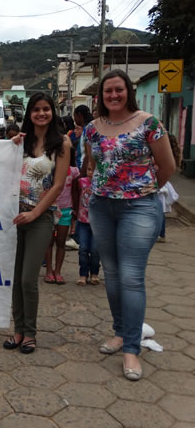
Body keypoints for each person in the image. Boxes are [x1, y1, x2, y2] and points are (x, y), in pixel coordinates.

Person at [85, 69, 175, 381]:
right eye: (108, 91)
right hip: (101, 206)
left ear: (128, 92)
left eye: (118, 89)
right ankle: (121, 332)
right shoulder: (92, 129)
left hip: (139, 208)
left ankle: (132, 349)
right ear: (101, 96)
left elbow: (168, 166)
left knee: (131, 277)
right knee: (111, 274)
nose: (113, 95)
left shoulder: (149, 123)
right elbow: (93, 165)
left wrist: (142, 191)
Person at [4, 92, 71, 354]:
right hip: (14, 215)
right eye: (36, 109)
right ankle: (18, 330)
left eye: (46, 109)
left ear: (53, 112)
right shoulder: (21, 142)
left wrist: (34, 214)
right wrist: (9, 146)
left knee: (28, 279)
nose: (41, 114)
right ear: (29, 113)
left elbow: (58, 185)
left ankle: (30, 333)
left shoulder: (62, 144)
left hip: (40, 217)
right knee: (15, 278)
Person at [44, 162, 80, 284]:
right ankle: (49, 271)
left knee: (61, 242)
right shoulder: (47, 169)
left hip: (65, 211)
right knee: (48, 242)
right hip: (49, 209)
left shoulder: (73, 171)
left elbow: (75, 190)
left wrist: (75, 209)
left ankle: (57, 271)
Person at [74, 165, 100, 285]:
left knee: (95, 250)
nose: (91, 172)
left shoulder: (102, 183)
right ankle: (83, 274)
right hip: (83, 222)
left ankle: (94, 273)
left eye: (94, 170)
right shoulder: (81, 182)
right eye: (89, 169)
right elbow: (74, 193)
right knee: (83, 249)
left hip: (98, 223)